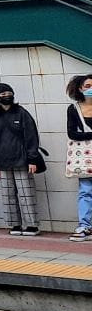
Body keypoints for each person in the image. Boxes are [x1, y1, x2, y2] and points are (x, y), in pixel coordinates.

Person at [0, 83, 41, 237]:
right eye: (2, 94)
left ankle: (32, 226)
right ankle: (15, 224)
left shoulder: (21, 113)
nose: (7, 96)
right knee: (8, 195)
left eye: (9, 92)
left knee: (26, 194)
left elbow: (31, 137)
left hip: (22, 160)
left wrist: (32, 159)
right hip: (2, 162)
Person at [66, 75, 92, 242]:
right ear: (80, 88)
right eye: (88, 85)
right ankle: (85, 225)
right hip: (85, 157)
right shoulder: (73, 109)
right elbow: (72, 132)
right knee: (85, 191)